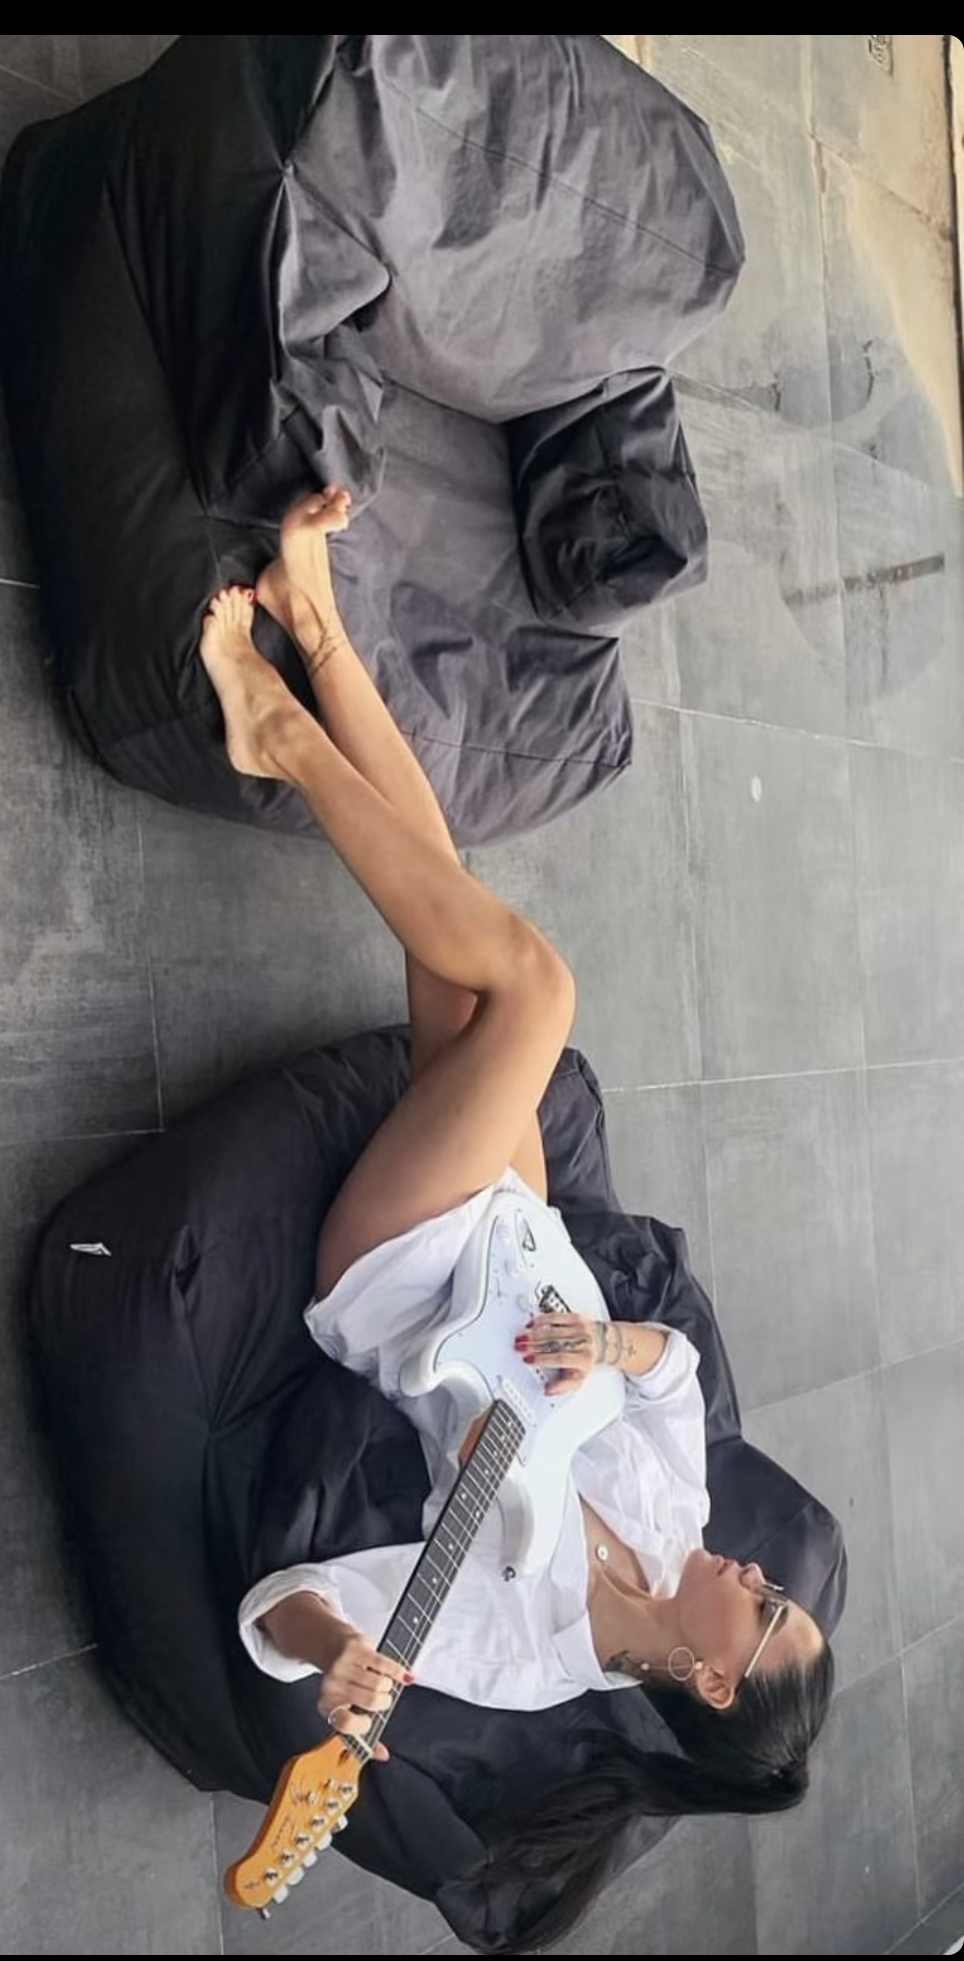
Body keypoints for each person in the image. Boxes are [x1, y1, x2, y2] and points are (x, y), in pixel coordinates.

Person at [198, 485, 835, 1949]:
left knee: (535, 985)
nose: (758, 1573)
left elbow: (287, 1605)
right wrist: (617, 1348)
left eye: (763, 1612)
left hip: (405, 1272)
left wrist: (339, 1653)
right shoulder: (676, 1518)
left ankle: (279, 730)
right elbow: (673, 1370)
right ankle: (315, 627)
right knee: (464, 959)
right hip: (520, 1235)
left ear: (713, 1680)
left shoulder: (523, 1650)